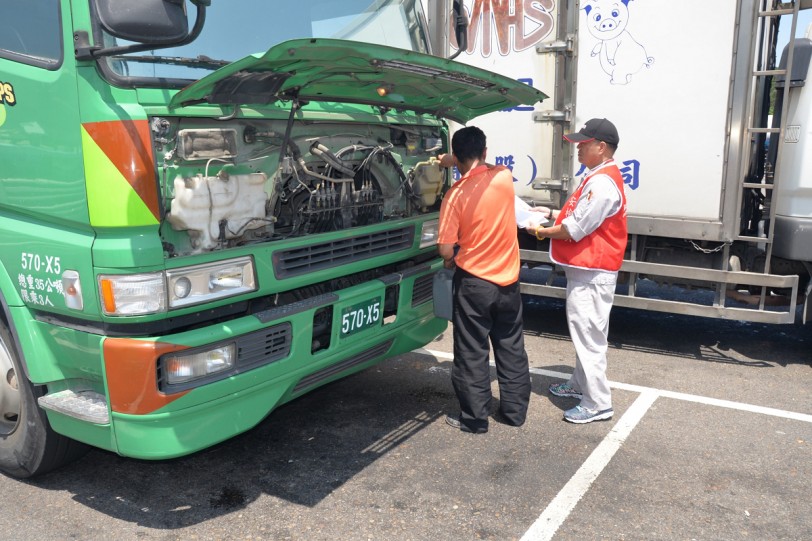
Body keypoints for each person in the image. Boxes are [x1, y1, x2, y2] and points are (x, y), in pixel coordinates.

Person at [528, 118, 628, 424]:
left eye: (584, 144)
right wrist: (551, 213)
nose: (579, 149)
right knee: (586, 333)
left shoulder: (601, 182)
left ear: (601, 147)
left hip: (593, 273)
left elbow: (574, 229)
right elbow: (576, 215)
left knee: (589, 337)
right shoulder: (597, 176)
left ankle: (597, 403)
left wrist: (540, 231)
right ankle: (579, 385)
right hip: (588, 270)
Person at [436, 126, 531, 433]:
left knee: (471, 351)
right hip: (508, 281)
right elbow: (484, 164)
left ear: (456, 155)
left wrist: (450, 258)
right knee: (511, 346)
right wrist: (458, 159)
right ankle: (515, 413)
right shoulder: (503, 177)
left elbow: (445, 248)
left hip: (474, 283)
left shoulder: (454, 195)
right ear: (485, 152)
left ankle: (475, 420)